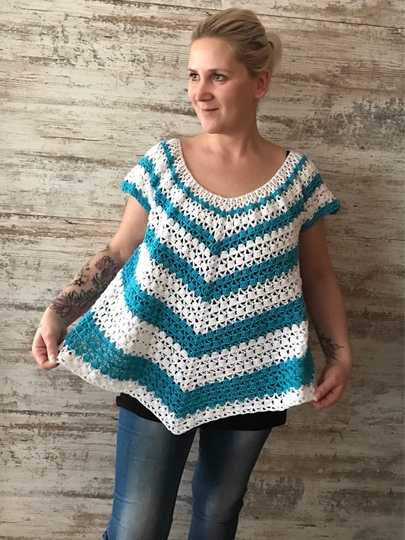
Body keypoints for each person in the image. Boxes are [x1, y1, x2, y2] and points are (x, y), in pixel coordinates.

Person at [32, 7, 353, 540]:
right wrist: (58, 311)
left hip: (256, 368)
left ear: (260, 83)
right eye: (193, 75)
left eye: (218, 76)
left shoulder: (298, 180)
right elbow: (119, 248)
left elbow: (317, 276)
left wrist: (339, 354)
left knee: (218, 513)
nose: (199, 93)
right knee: (136, 524)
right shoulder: (163, 164)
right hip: (153, 360)